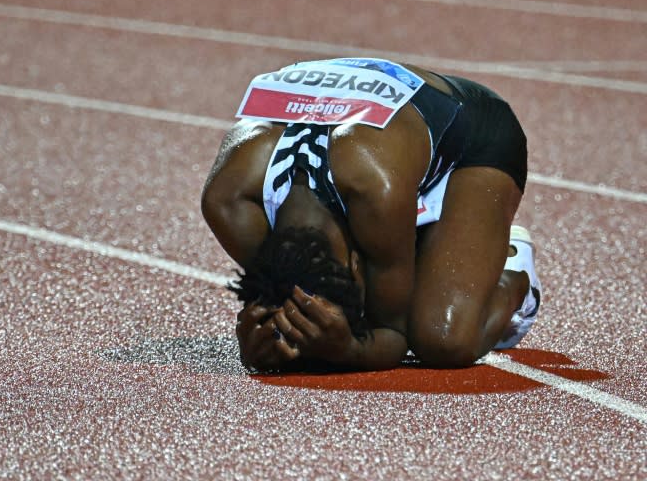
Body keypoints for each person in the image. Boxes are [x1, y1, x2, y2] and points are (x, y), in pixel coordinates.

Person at [201, 58, 541, 372]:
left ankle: (514, 275)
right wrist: (261, 339)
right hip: (384, 143)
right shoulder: (227, 203)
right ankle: (432, 252)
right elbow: (277, 295)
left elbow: (393, 333)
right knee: (396, 289)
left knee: (443, 340)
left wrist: (350, 349)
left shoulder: (376, 191)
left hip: (474, 129)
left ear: (354, 261)